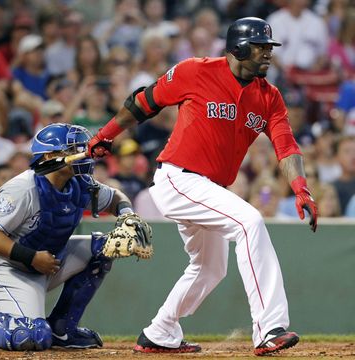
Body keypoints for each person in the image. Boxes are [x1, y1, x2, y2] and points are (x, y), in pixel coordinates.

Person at [87, 17, 318, 356]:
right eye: (260, 46)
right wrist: (105, 135)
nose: (268, 54)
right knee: (249, 222)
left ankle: (159, 331)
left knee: (211, 268)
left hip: (211, 189)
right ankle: (269, 328)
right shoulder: (195, 71)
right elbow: (143, 102)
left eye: (270, 47)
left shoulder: (269, 97)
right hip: (177, 178)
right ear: (238, 47)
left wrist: (301, 188)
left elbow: (286, 146)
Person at [0, 123, 150, 351]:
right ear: (50, 156)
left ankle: (63, 329)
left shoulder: (79, 183)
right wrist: (31, 257)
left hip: (47, 260)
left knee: (104, 248)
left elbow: (115, 197)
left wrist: (127, 215)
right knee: (31, 335)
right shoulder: (22, 187)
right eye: (73, 149)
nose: (82, 154)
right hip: (5, 268)